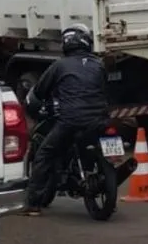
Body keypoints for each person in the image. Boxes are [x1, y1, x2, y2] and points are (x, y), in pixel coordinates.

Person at [22, 23, 109, 216]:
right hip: (100, 120)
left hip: (71, 120)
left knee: (44, 154)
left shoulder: (59, 65)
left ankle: (32, 204)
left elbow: (39, 91)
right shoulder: (98, 64)